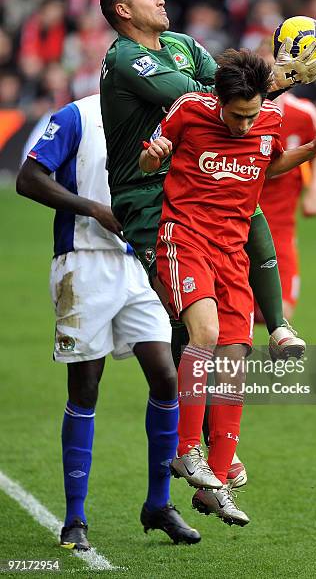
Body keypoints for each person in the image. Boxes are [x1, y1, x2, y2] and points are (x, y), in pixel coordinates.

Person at [139, 49, 316, 526]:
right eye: (236, 116)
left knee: (235, 359)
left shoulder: (269, 120)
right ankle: (187, 449)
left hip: (234, 252)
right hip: (185, 238)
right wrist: (154, 156)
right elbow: (148, 162)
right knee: (206, 335)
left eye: (252, 115)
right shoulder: (188, 110)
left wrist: (315, 146)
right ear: (218, 101)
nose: (244, 125)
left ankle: (215, 481)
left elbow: (268, 167)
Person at [98, 0, 316, 369]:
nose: (161, 0)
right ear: (124, 10)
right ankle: (192, 416)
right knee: (182, 313)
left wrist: (279, 78)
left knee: (249, 211)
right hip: (146, 189)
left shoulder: (181, 44)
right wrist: (278, 77)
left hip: (191, 174)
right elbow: (205, 98)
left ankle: (277, 326)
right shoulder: (125, 58)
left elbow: (230, 94)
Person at [16, 94, 201, 549]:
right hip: (84, 262)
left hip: (140, 262)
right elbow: (28, 178)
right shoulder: (78, 115)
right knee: (86, 386)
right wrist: (93, 208)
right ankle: (75, 517)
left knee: (164, 375)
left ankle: (158, 504)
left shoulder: (163, 117)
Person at [258, 92, 316, 321]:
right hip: (235, 224)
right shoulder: (237, 112)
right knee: (235, 317)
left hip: (280, 226)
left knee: (282, 314)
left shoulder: (303, 113)